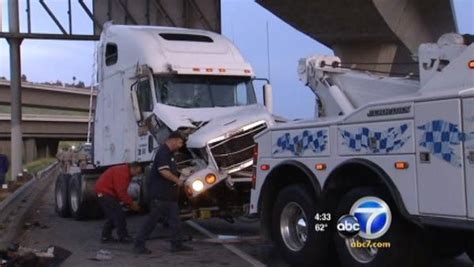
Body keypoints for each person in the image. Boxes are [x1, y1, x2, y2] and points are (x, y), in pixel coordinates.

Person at [133, 131, 192, 254]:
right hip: (161, 195)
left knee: (175, 220)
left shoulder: (169, 154)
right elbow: (163, 172)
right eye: (180, 142)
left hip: (169, 195)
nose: (180, 146)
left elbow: (170, 170)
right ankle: (139, 244)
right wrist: (178, 180)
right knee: (151, 221)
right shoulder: (163, 153)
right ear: (174, 140)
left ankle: (177, 244)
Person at [95, 162, 143, 243]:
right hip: (104, 193)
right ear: (133, 168)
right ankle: (123, 236)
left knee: (114, 215)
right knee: (119, 215)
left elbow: (120, 192)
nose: (137, 175)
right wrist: (131, 203)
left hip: (104, 193)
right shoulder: (123, 173)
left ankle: (105, 237)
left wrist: (127, 202)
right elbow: (121, 192)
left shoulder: (124, 171)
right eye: (137, 172)